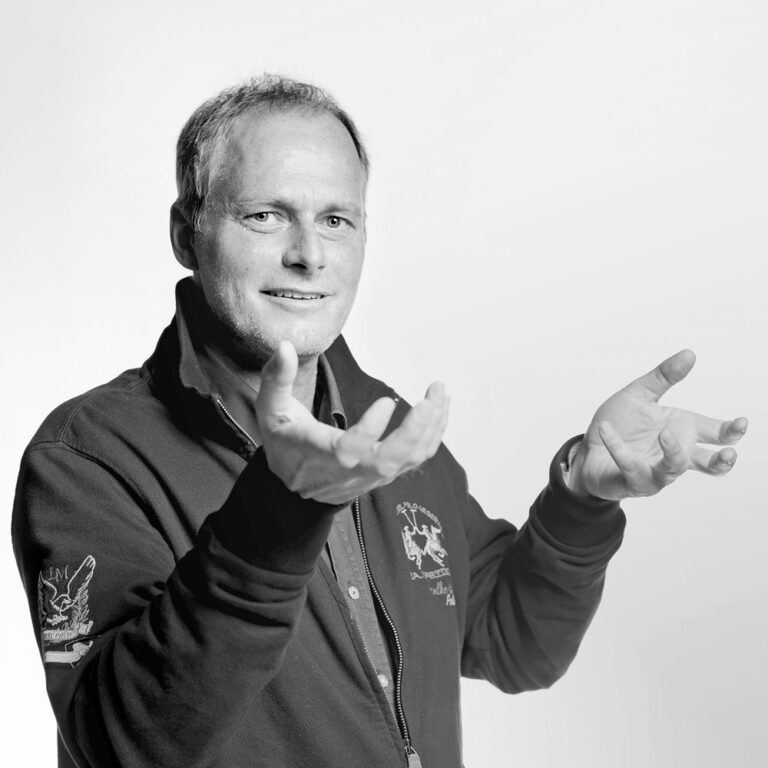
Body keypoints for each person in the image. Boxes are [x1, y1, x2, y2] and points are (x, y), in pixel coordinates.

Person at [12, 75, 748, 768]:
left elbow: (511, 643)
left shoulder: (389, 430)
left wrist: (581, 500)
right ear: (186, 233)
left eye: (336, 220)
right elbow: (122, 745)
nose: (308, 255)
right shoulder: (87, 458)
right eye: (265, 215)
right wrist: (278, 512)